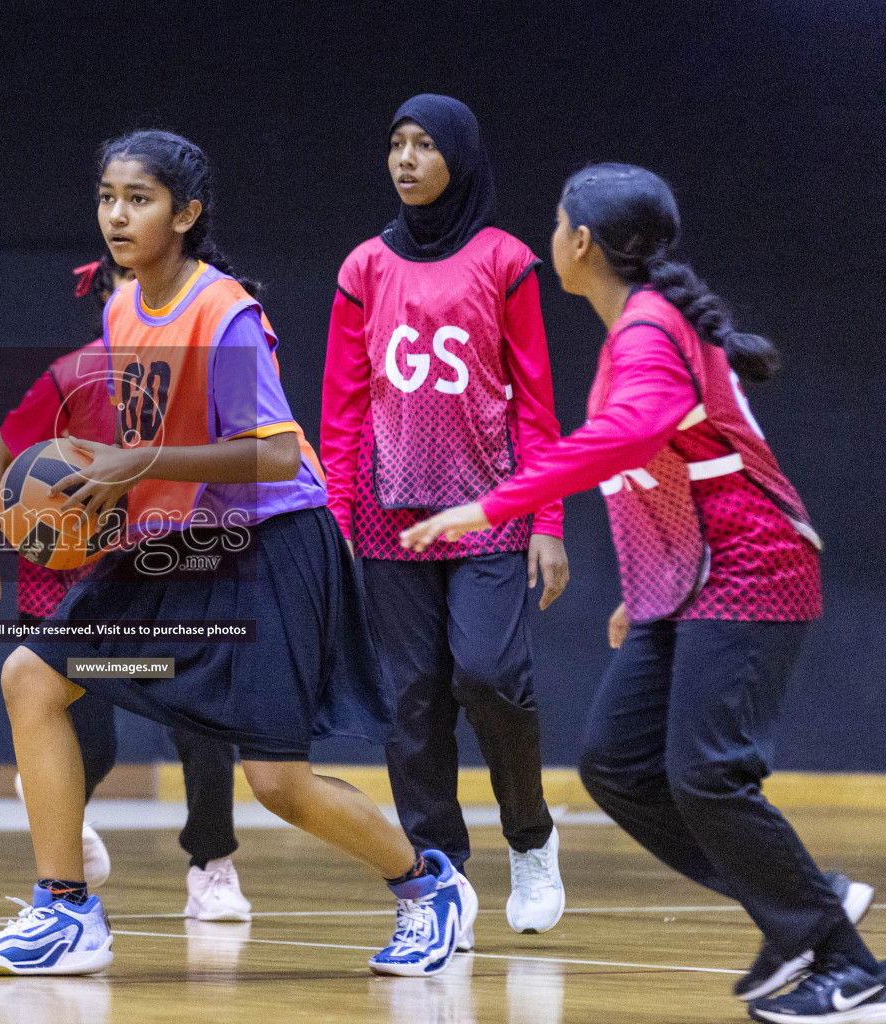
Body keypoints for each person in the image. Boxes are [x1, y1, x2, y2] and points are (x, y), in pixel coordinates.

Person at [0, 129, 475, 979]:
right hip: (182, 539)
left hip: (275, 544)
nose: (117, 215)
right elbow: (149, 433)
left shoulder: (223, 312)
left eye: (140, 199)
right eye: (109, 197)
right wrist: (105, 490)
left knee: (277, 783)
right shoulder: (122, 307)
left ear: (186, 213)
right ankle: (64, 912)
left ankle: (427, 886)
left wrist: (140, 464)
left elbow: (271, 455)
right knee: (31, 676)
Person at [401, 163, 882, 1023]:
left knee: (707, 775)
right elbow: (655, 476)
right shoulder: (638, 327)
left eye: (555, 222)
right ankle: (802, 906)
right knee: (618, 767)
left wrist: (490, 501)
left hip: (753, 569)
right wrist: (643, 588)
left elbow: (623, 441)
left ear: (580, 242)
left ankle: (842, 958)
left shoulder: (650, 329)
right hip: (688, 581)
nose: (551, 236)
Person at [320, 94, 569, 956]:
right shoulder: (363, 268)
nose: (407, 159)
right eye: (396, 143)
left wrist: (550, 518)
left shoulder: (506, 262)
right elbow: (344, 406)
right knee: (411, 702)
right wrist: (337, 518)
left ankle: (531, 838)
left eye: (426, 144)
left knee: (489, 673)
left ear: (459, 158)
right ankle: (444, 877)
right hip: (390, 517)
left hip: (492, 513)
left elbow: (537, 403)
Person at [0, 254, 251, 921]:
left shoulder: (204, 374)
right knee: (94, 743)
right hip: (76, 581)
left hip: (170, 575)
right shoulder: (74, 376)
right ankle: (54, 810)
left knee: (206, 726)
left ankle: (213, 867)